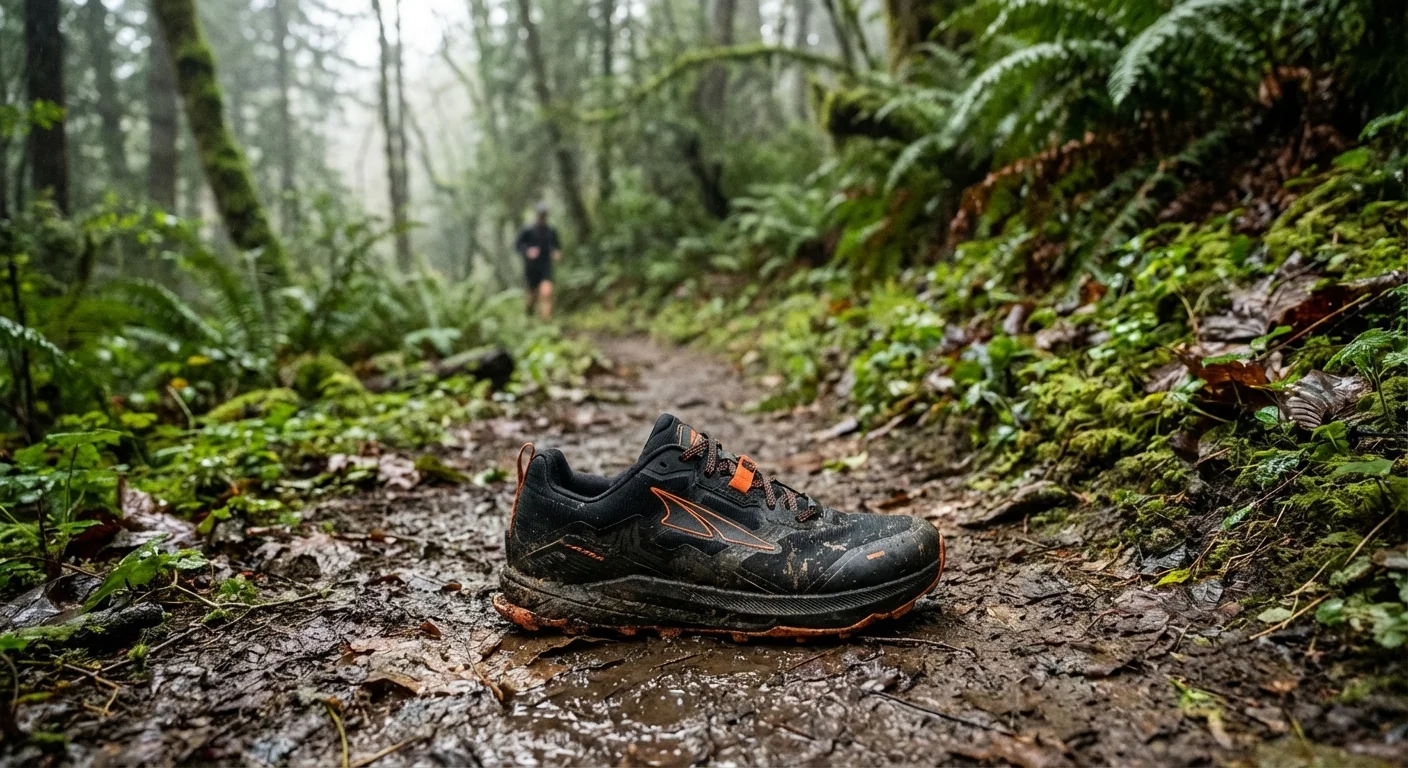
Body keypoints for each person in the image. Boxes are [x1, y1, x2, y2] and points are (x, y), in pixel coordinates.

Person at [515, 202, 562, 320]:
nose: (542, 217)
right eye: (541, 214)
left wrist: (557, 253)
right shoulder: (528, 231)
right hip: (531, 268)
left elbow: (557, 246)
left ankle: (545, 322)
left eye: (544, 214)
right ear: (537, 215)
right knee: (532, 296)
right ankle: (529, 314)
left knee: (547, 293)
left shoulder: (551, 231)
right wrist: (528, 251)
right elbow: (517, 245)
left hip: (546, 265)